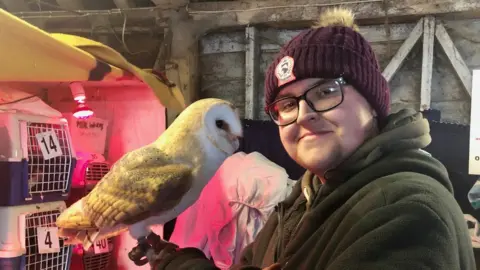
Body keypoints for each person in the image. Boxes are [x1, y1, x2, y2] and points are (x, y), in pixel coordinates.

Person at [152, 7, 476, 270]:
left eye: (324, 92)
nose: (305, 114)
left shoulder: (407, 213)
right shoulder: (306, 195)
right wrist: (178, 261)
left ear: (374, 104)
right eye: (287, 104)